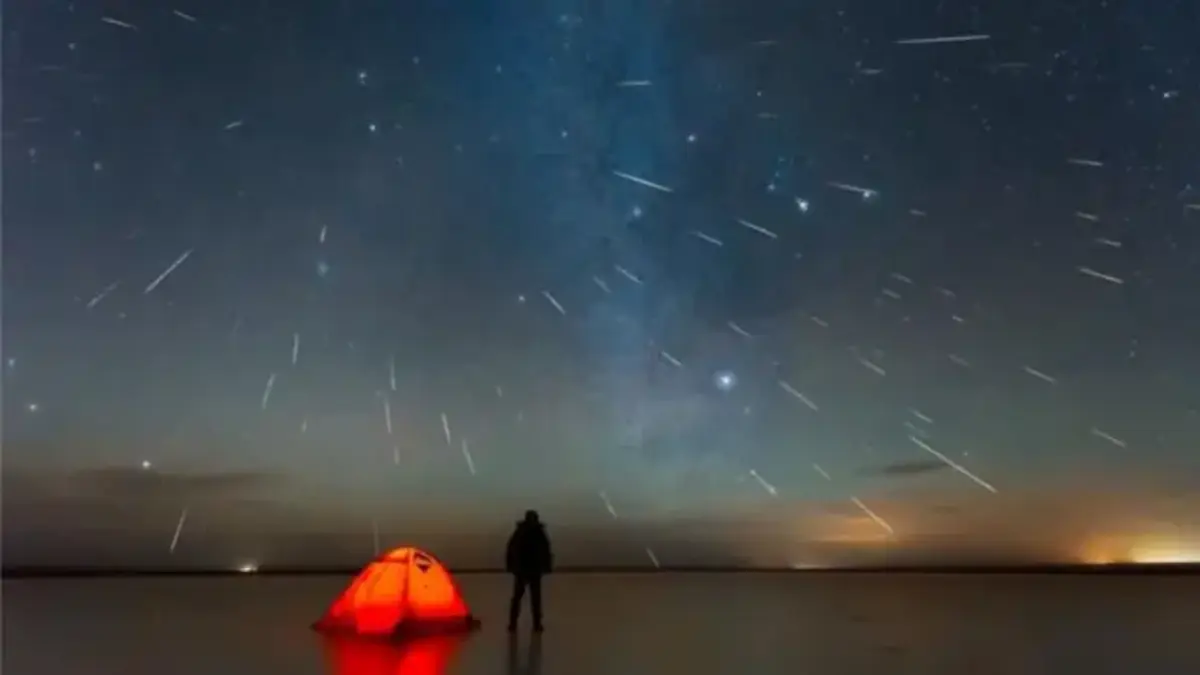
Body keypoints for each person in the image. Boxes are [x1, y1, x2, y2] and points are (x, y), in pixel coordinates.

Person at [505, 509, 553, 632]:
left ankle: (532, 624)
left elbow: (546, 551)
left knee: (531, 599)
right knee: (523, 598)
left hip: (530, 570)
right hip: (524, 570)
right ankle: (516, 623)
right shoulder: (525, 532)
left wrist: (546, 566)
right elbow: (512, 549)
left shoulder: (534, 532)